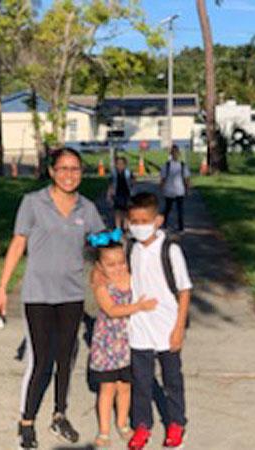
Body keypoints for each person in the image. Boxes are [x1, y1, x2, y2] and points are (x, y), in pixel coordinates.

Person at [0, 148, 105, 450]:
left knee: (65, 359)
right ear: (52, 171)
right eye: (64, 169)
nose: (70, 175)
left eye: (76, 169)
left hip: (71, 296)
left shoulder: (87, 208)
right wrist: (2, 288)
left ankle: (59, 414)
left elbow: (100, 242)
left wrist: (120, 241)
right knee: (42, 361)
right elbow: (18, 244)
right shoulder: (33, 203)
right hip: (38, 295)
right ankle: (26, 421)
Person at [125, 192, 193, 450]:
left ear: (158, 220)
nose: (139, 226)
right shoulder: (130, 248)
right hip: (139, 327)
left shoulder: (170, 249)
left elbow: (184, 290)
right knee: (141, 381)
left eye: (144, 220)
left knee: (172, 379)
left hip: (166, 327)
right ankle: (142, 425)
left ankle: (176, 422)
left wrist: (179, 329)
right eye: (134, 221)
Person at [87, 229, 157, 448]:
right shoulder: (101, 285)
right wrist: (139, 307)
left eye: (121, 262)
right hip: (108, 344)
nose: (117, 268)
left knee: (125, 386)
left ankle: (123, 423)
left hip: (129, 342)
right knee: (107, 388)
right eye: (110, 264)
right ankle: (104, 430)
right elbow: (112, 310)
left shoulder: (131, 277)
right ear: (99, 267)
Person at [160, 145, 190, 233]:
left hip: (174, 190)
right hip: (174, 190)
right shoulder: (171, 165)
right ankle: (179, 227)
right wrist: (187, 189)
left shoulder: (174, 165)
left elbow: (163, 178)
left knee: (169, 209)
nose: (175, 154)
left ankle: (169, 225)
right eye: (174, 153)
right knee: (175, 209)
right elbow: (186, 179)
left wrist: (161, 188)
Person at [107, 156, 135, 229]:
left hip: (127, 193)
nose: (120, 165)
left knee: (126, 211)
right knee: (118, 212)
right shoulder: (113, 173)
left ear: (125, 164)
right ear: (116, 165)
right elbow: (110, 185)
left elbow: (133, 183)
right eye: (118, 163)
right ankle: (118, 227)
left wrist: (133, 183)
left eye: (122, 163)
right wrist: (109, 195)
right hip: (117, 194)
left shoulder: (128, 173)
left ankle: (125, 227)